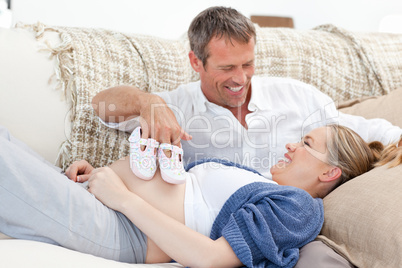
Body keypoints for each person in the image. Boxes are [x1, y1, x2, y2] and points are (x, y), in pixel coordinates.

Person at [0, 124, 401, 267]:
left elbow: (210, 258)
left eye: (306, 144)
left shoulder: (297, 207)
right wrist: (97, 179)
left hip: (117, 229)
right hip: (95, 198)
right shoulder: (261, 179)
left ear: (329, 172)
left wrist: (121, 196)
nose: (292, 147)